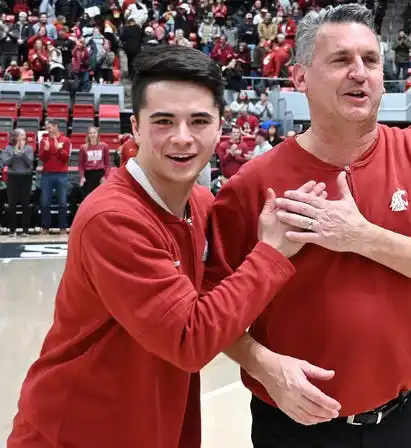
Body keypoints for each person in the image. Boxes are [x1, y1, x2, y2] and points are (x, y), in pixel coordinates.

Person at [6, 45, 325, 448]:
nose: (182, 138)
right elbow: (188, 338)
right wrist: (272, 255)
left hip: (155, 423)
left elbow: (214, 302)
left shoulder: (201, 205)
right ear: (135, 128)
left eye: (198, 121)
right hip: (74, 432)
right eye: (163, 121)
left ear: (219, 127)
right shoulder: (114, 219)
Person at [204, 5, 411, 447]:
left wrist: (360, 236)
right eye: (340, 61)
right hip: (292, 425)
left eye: (370, 60)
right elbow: (214, 311)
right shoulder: (252, 184)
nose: (360, 73)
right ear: (299, 78)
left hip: (398, 420)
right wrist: (263, 365)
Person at [39, 119, 71, 234]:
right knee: (45, 202)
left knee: (62, 202)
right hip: (47, 174)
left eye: (49, 127)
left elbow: (66, 158)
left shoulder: (65, 140)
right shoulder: (44, 140)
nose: (48, 130)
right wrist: (46, 150)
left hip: (61, 174)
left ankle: (63, 227)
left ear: (56, 126)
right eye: (47, 128)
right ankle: (45, 227)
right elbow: (42, 158)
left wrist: (59, 149)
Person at [1, 128, 34, 236]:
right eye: (21, 135)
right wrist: (14, 153)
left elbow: (30, 163)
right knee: (12, 204)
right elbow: (5, 162)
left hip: (26, 177)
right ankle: (12, 230)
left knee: (25, 204)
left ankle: (25, 230)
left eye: (24, 135)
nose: (24, 137)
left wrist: (22, 153)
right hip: (12, 177)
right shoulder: (8, 148)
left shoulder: (29, 148)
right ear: (15, 137)